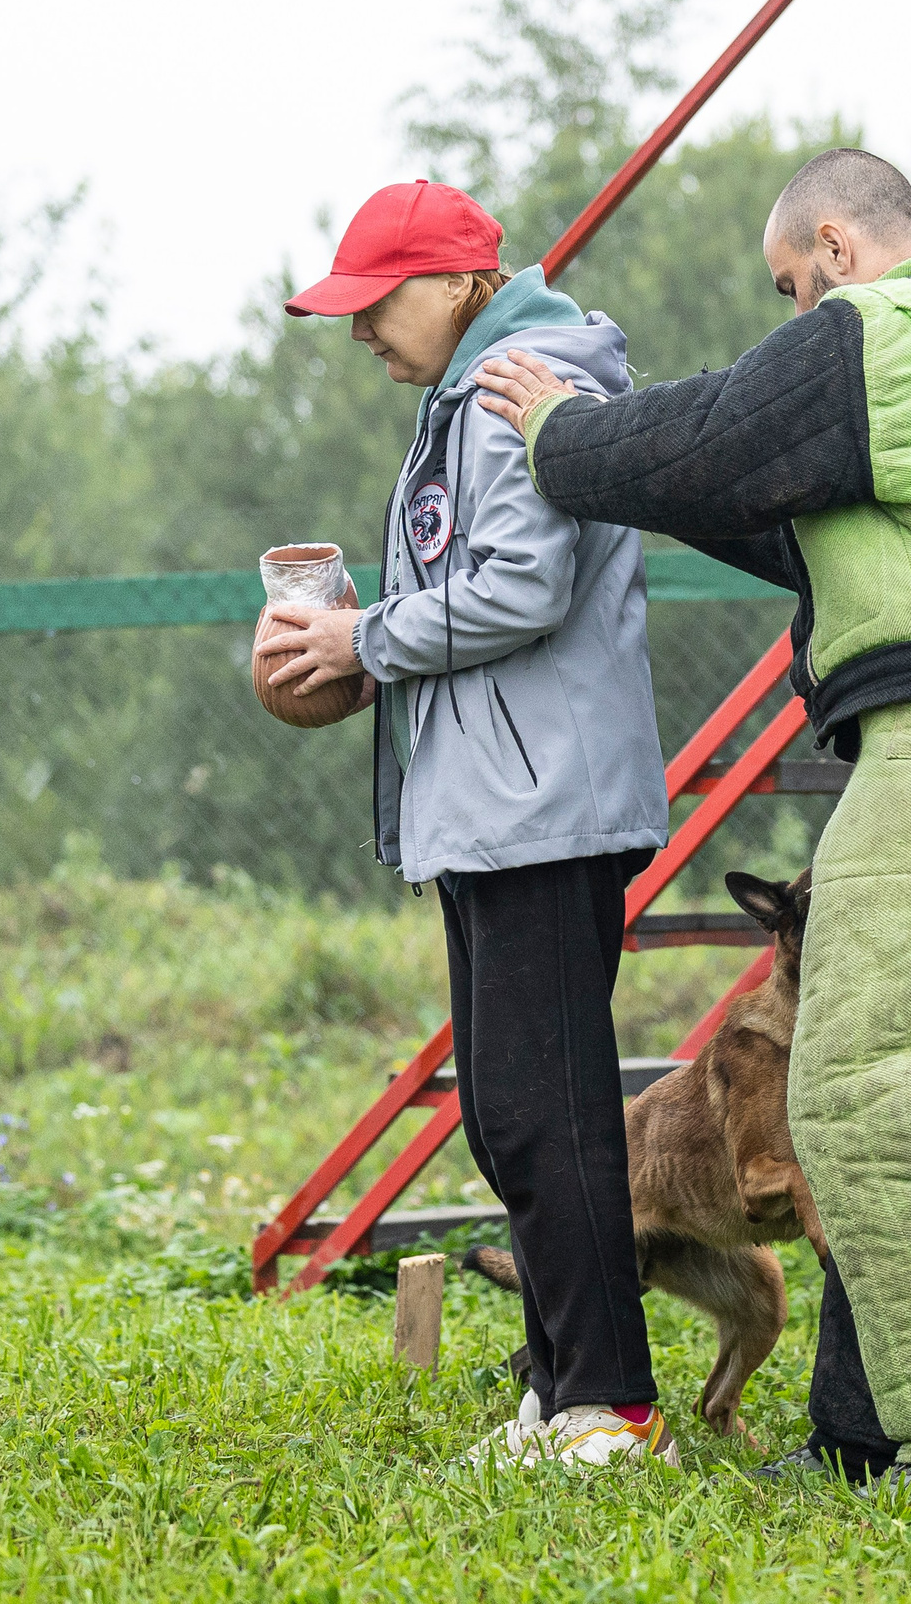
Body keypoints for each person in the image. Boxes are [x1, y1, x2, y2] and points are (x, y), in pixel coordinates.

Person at [474, 149, 911, 1514]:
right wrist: (642, 485)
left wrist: (561, 438)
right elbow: (787, 517)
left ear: (837, 245)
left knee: (859, 1100)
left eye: (789, 285)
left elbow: (715, 437)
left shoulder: (884, 325)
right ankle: (864, 1434)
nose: (791, 314)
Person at [261, 180, 674, 1466]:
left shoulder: (515, 391)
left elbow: (521, 592)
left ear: (456, 285)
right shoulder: (474, 390)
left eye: (375, 306)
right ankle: (560, 1399)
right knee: (508, 1111)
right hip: (495, 807)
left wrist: (362, 638)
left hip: (542, 806)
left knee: (547, 1111)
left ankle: (614, 1405)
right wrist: (354, 634)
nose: (361, 335)